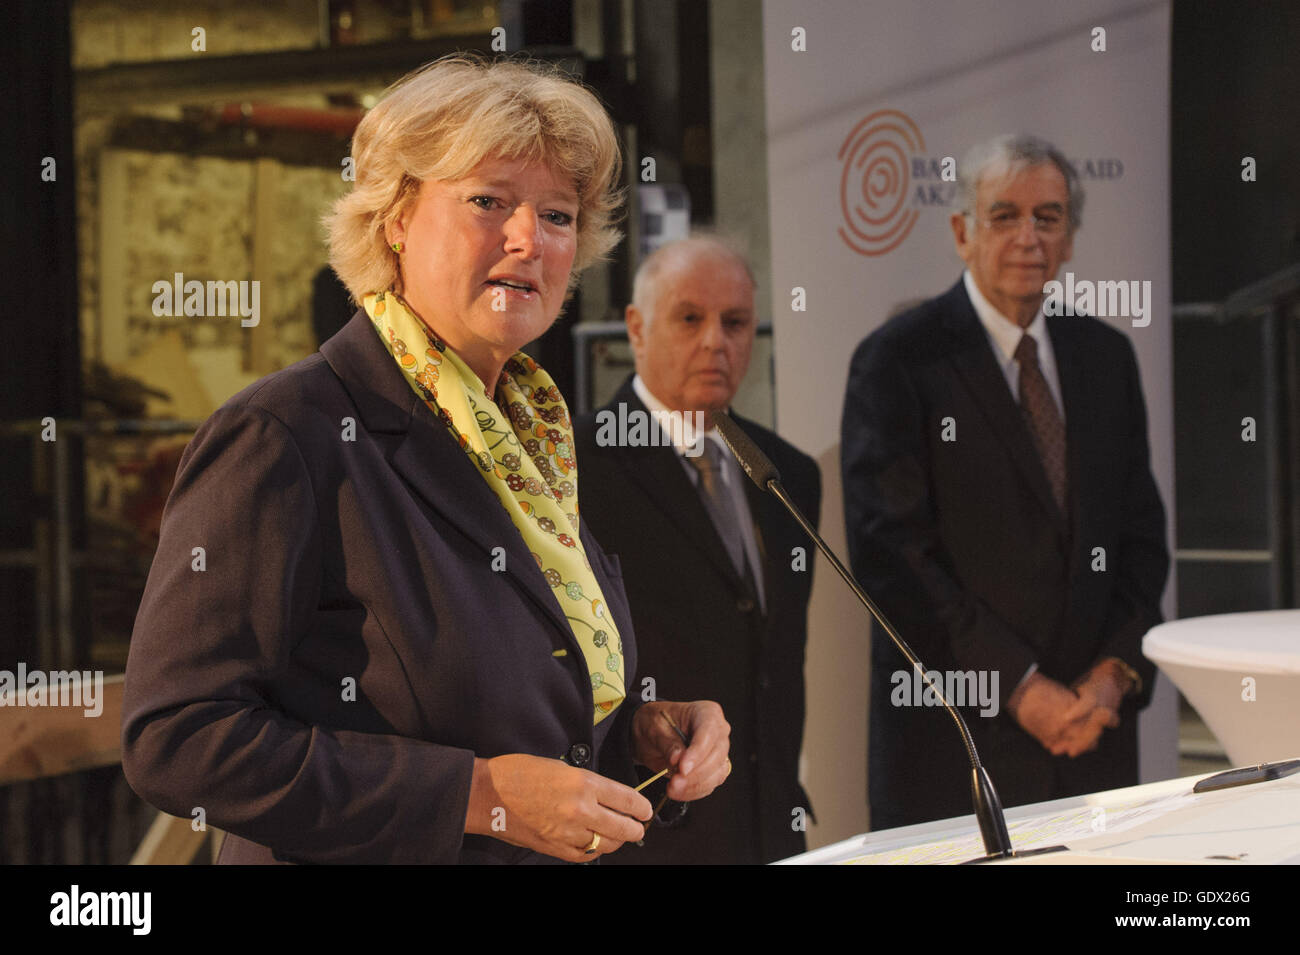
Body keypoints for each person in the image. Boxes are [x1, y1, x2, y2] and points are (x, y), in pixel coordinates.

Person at [121, 55, 731, 865]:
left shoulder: (530, 436)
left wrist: (635, 738)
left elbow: (508, 708)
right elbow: (178, 737)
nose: (529, 238)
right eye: (488, 201)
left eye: (557, 215)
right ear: (397, 218)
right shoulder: (286, 432)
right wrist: (481, 797)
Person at [840, 134, 1169, 829]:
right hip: (960, 753)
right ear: (962, 231)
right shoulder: (898, 360)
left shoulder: (1107, 357)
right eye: (1004, 216)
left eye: (1048, 217)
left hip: (1094, 748)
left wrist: (1116, 671)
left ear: (1071, 238)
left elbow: (1141, 539)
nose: (1028, 236)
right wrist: (1021, 689)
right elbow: (892, 556)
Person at [574, 237, 820, 863]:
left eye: (735, 322)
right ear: (636, 327)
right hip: (644, 833)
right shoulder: (577, 465)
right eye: (690, 318)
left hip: (769, 828)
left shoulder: (787, 472)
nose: (717, 341)